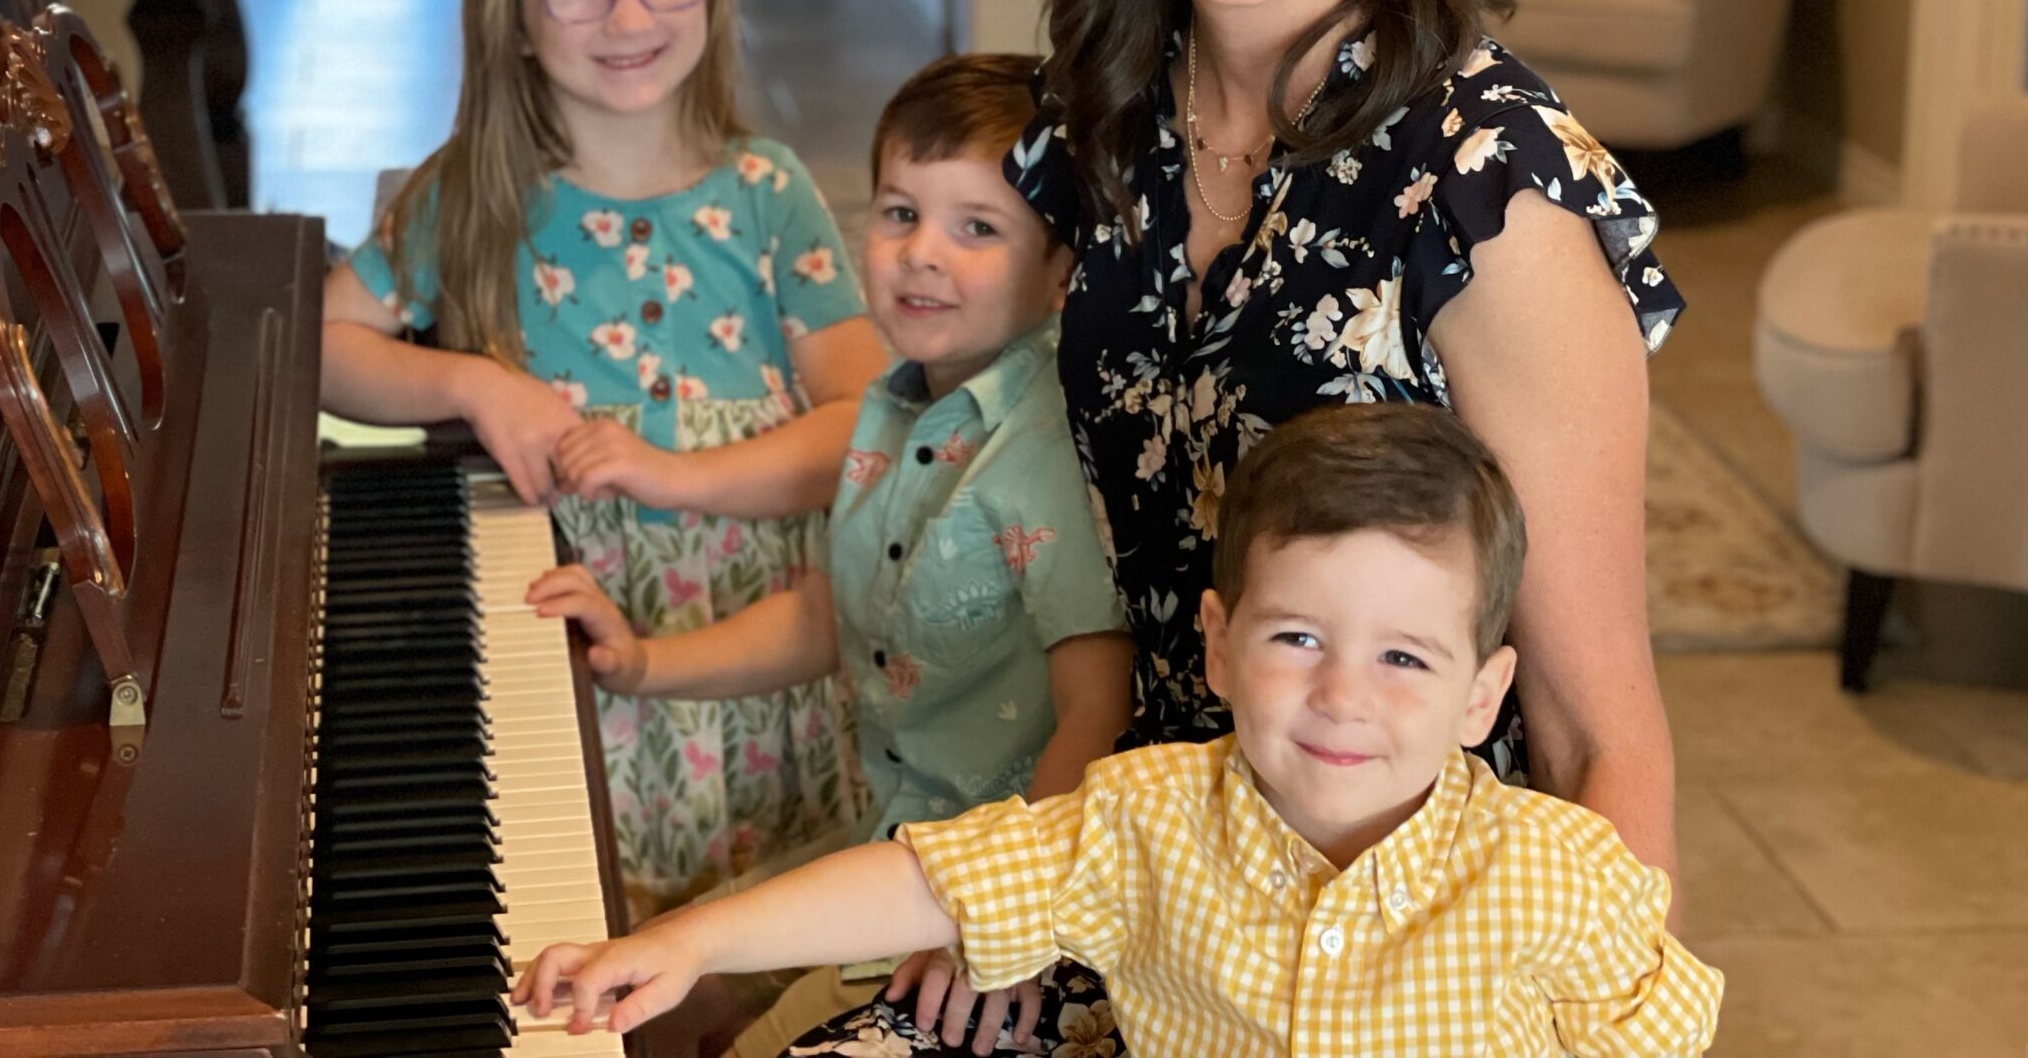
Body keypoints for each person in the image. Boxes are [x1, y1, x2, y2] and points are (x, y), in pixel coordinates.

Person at [790, 0, 1687, 1051]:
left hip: (1383, 968)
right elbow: (966, 397)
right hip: (1124, 867)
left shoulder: (1491, 194)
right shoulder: (1094, 125)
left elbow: (1606, 733)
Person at [515, 406, 1724, 1058]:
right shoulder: (1145, 819)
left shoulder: (1558, 874)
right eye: (1297, 638)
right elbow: (930, 884)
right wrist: (687, 944)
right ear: (1214, 642)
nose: (1344, 696)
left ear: (1482, 694)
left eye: (1405, 658)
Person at [320, 0, 886, 914]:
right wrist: (471, 383)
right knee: (595, 923)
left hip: (762, 664)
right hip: (578, 668)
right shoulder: (472, 201)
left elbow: (864, 423)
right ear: (514, 14)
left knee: (758, 941)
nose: (626, 13)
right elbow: (323, 350)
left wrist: (676, 475)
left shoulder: (768, 195)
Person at [527, 55, 1135, 1054]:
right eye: (899, 213)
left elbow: (1098, 714)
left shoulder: (1039, 455)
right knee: (646, 995)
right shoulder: (892, 406)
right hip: (886, 844)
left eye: (976, 228)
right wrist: (645, 662)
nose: (920, 254)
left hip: (991, 898)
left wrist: (1005, 925)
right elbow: (832, 613)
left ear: (1061, 265)